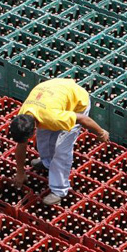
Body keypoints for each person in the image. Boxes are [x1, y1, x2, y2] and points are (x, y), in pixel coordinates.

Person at [9, 78, 109, 206]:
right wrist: (20, 171)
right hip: (55, 90)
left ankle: (59, 190)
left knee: (61, 150)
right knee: (44, 137)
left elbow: (84, 119)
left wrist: (101, 133)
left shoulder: (53, 118)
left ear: (34, 128)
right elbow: (21, 146)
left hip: (77, 104)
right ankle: (47, 163)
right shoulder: (23, 115)